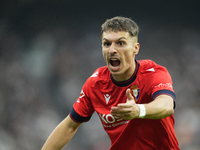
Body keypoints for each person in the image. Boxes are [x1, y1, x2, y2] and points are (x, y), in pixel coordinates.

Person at [41, 16, 180, 150]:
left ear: (135, 48)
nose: (112, 50)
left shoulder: (153, 72)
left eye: (120, 43)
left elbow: (167, 105)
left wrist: (139, 110)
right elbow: (70, 125)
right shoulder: (95, 84)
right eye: (107, 44)